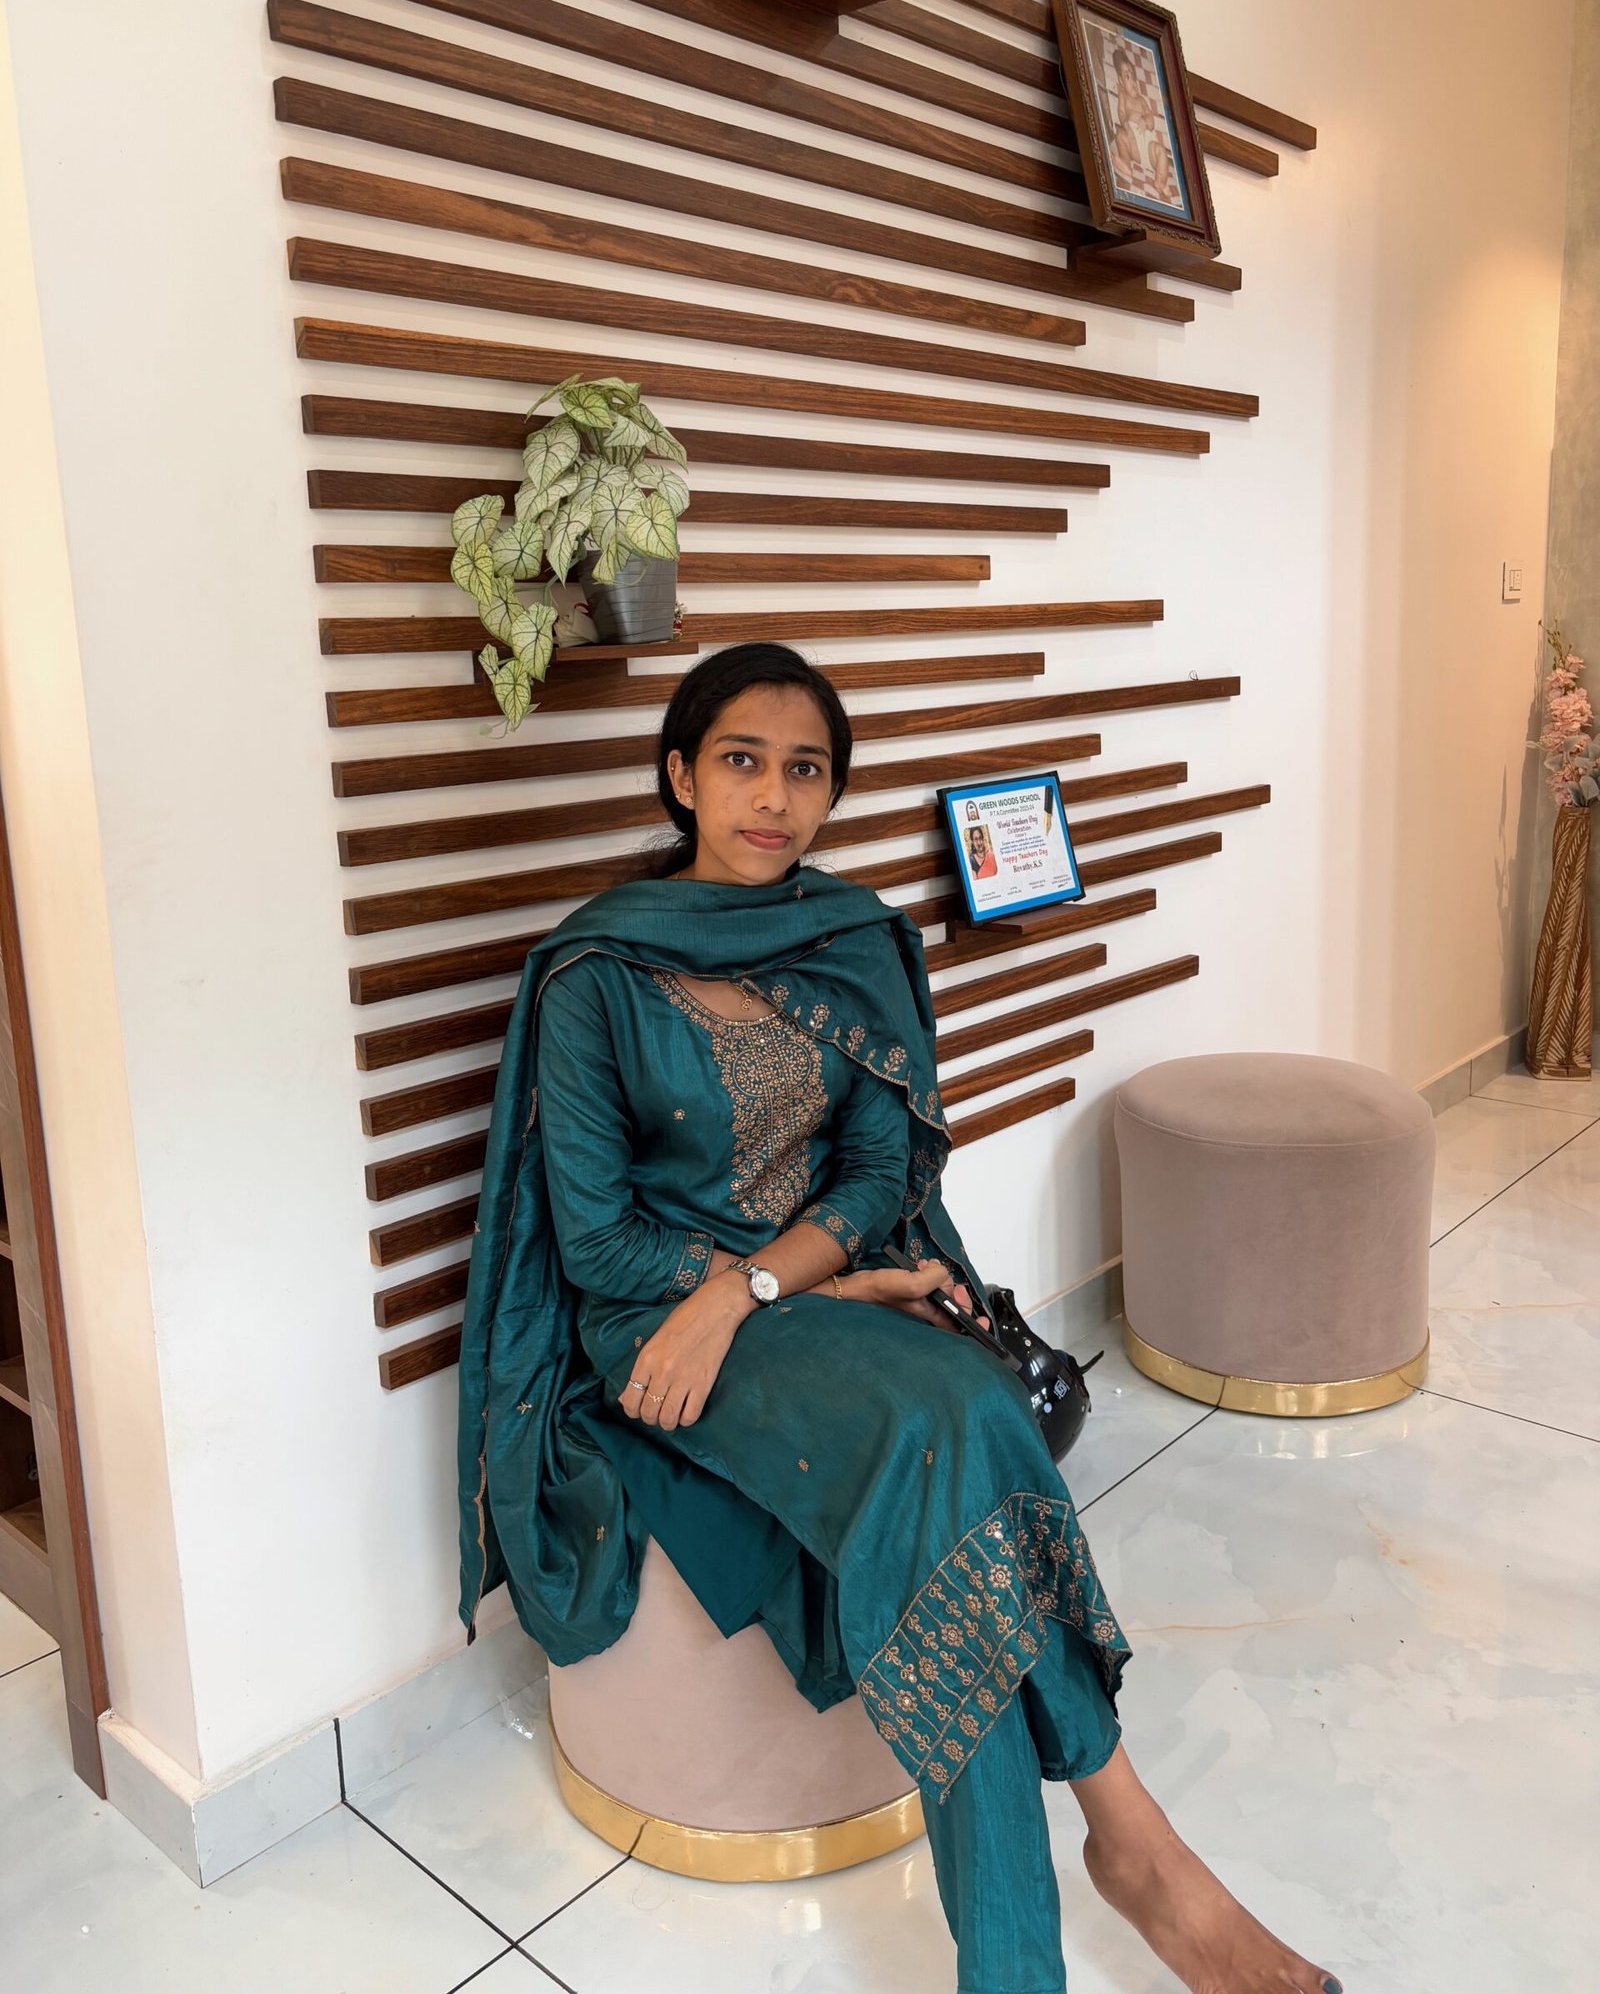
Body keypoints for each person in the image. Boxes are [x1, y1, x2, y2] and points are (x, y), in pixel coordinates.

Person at [456, 642, 1342, 1994]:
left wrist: (783, 1280)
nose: (773, 798)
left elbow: (880, 1176)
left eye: (805, 770)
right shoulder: (596, 977)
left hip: (782, 1296)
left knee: (957, 1423)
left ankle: (1074, 1907)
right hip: (650, 1321)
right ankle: (1140, 1862)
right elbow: (596, 1237)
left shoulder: (855, 942)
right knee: (956, 1415)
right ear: (681, 772)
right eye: (741, 761)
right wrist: (754, 1291)